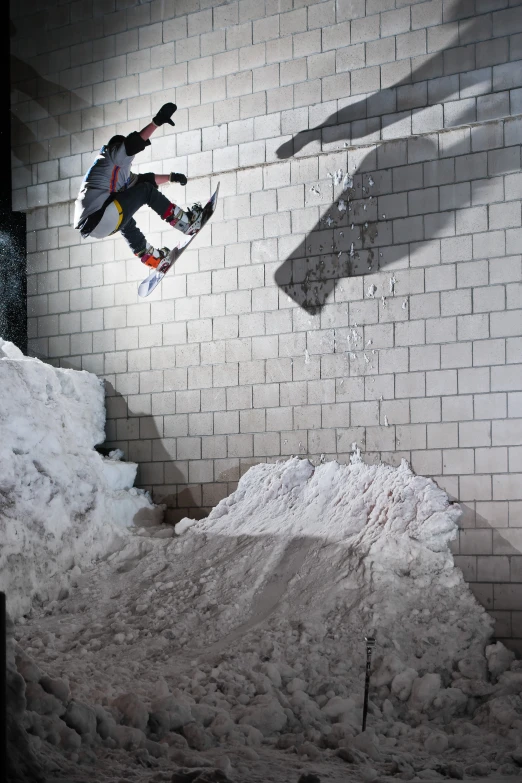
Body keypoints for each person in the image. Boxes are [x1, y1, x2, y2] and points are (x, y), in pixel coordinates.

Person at [73, 102, 204, 269]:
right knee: (144, 193)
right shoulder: (112, 155)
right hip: (99, 215)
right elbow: (134, 143)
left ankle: (153, 259)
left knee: (125, 217)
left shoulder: (115, 174)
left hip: (95, 226)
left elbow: (143, 181)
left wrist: (171, 177)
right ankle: (186, 222)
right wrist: (157, 122)